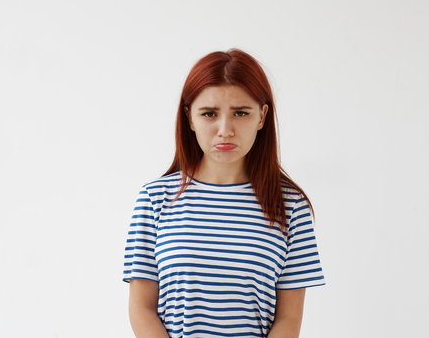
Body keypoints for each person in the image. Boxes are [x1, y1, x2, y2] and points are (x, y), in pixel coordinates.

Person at [122, 48, 326, 338]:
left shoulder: (290, 207)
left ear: (262, 116)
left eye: (241, 113)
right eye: (209, 114)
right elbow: (141, 308)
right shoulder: (155, 199)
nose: (225, 130)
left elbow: (289, 319)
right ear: (189, 118)